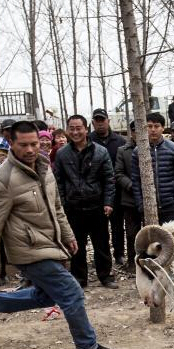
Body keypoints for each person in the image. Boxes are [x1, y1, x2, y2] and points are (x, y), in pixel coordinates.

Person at [0, 121, 115, 349]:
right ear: (11, 144)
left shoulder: (44, 168)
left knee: (48, 295)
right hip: (28, 249)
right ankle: (86, 346)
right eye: (23, 145)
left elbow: (56, 207)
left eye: (34, 144)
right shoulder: (2, 180)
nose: (30, 150)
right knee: (72, 293)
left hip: (50, 244)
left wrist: (68, 235)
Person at [55, 115, 117, 289]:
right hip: (73, 207)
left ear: (86, 129)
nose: (75, 132)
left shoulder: (100, 151)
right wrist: (63, 204)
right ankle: (79, 278)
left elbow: (109, 179)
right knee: (76, 245)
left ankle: (105, 276)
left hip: (97, 205)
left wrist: (108, 202)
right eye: (71, 128)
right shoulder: (62, 154)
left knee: (102, 243)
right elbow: (58, 181)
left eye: (78, 128)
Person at [130, 112, 174, 223]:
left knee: (173, 239)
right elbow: (136, 180)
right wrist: (141, 204)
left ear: (162, 128)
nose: (153, 130)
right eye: (149, 126)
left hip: (171, 206)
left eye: (156, 126)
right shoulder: (138, 151)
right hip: (149, 207)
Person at [90, 107, 127, 266]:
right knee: (99, 228)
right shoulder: (88, 141)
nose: (100, 124)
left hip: (117, 191)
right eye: (97, 121)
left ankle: (119, 254)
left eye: (102, 120)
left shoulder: (120, 141)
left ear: (108, 121)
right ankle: (102, 257)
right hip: (96, 192)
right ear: (93, 123)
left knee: (118, 226)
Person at [112, 120, 139, 273]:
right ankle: (132, 263)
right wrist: (132, 186)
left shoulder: (154, 148)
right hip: (130, 199)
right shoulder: (123, 150)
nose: (137, 133)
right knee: (131, 233)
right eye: (134, 130)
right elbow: (118, 173)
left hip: (152, 199)